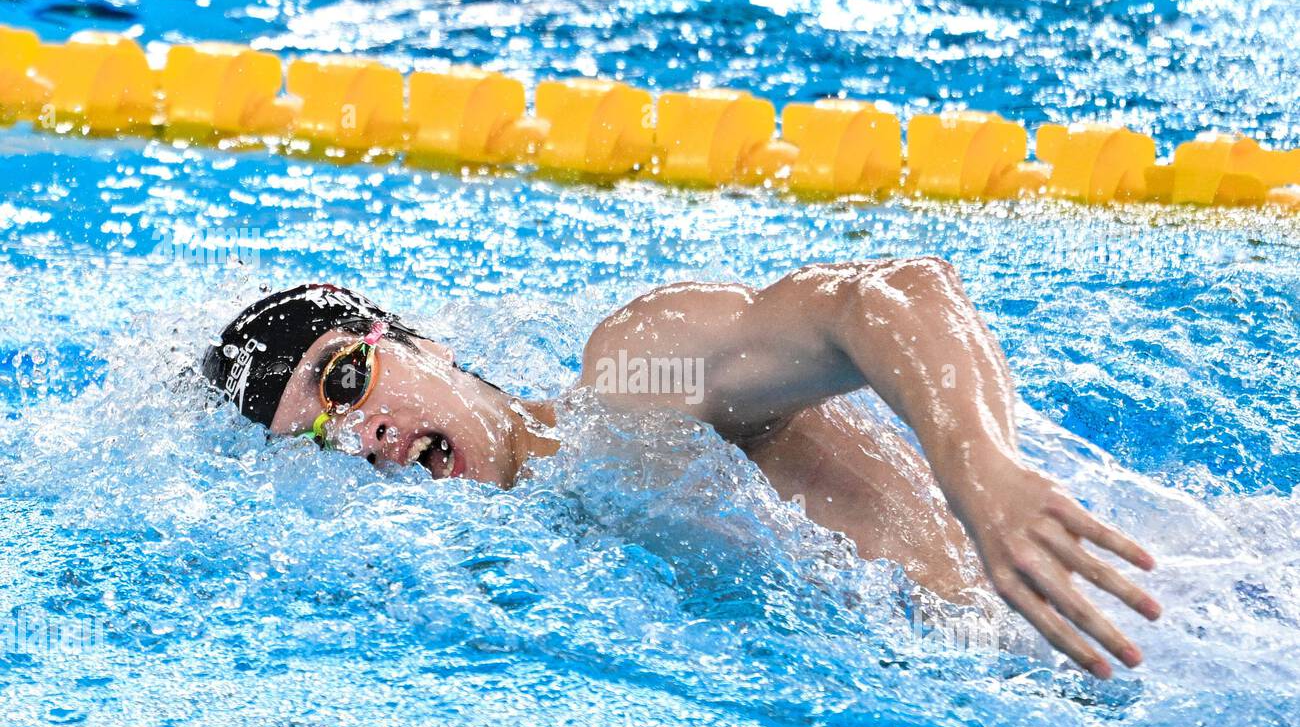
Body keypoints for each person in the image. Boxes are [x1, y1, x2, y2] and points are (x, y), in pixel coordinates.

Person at [201, 257, 1159, 678]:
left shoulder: (631, 381)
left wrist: (983, 473)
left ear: (425, 343)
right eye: (322, 444)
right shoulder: (534, 560)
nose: (364, 435)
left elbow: (888, 296)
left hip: (1137, 614)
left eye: (349, 378)